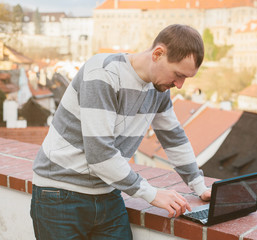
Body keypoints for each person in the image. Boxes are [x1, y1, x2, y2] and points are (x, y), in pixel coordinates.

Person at [30, 24, 211, 240]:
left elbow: (174, 138)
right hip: (59, 195)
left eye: (186, 79)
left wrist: (200, 187)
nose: (179, 85)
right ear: (158, 54)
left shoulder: (159, 89)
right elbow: (100, 155)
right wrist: (152, 194)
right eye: (178, 74)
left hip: (107, 193)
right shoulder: (104, 73)